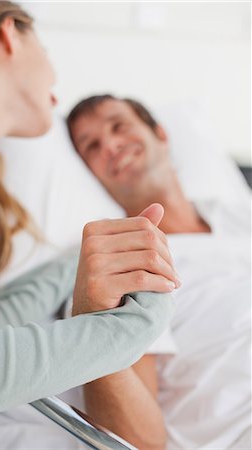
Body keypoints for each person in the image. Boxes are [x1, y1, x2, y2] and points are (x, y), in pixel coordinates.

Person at [0, 4, 180, 425]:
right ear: (9, 36)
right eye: (47, 47)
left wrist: (76, 264)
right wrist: (133, 323)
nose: (57, 79)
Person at [67, 95, 251, 449]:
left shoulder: (237, 215)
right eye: (91, 146)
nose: (110, 145)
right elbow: (138, 441)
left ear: (161, 134)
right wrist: (95, 320)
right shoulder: (122, 262)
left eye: (119, 126)